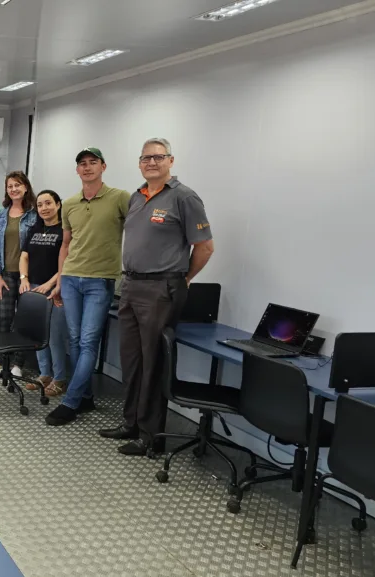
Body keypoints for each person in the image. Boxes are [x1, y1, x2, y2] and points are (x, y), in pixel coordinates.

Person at [101, 138, 214, 456]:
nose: (151, 162)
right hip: (131, 285)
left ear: (170, 161)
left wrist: (184, 278)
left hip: (161, 289)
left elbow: (205, 247)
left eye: (158, 157)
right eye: (146, 158)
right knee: (132, 360)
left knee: (153, 362)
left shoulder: (184, 197)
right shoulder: (137, 197)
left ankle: (151, 437)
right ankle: (131, 423)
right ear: (139, 163)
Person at [45, 147, 130, 427]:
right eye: (82, 163)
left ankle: (70, 402)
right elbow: (66, 245)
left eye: (93, 162)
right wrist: (60, 280)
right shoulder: (70, 204)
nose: (87, 167)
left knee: (88, 341)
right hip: (71, 278)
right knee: (74, 340)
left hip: (100, 281)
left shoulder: (120, 198)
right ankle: (86, 396)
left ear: (103, 167)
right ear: (77, 170)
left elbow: (138, 231)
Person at [0, 171, 38, 377]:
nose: (14, 189)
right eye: (10, 186)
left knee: (22, 321)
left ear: (26, 187)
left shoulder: (34, 214)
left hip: (27, 276)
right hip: (5, 274)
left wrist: (27, 277)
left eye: (17, 185)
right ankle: (0, 362)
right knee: (2, 319)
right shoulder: (1, 214)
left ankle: (17, 365)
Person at [19, 190, 70, 396]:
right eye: (40, 205)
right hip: (33, 288)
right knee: (38, 335)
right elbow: (24, 256)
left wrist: (50, 284)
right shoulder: (34, 229)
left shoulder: (64, 231)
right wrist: (24, 279)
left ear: (58, 205)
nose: (44, 208)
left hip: (55, 289)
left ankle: (60, 378)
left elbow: (66, 262)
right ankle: (45, 374)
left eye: (48, 203)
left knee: (55, 336)